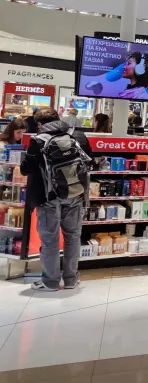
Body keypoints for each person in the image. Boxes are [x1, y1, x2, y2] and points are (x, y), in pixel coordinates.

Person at [19, 108, 93, 291]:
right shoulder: (78, 136)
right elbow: (91, 162)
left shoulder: (38, 140)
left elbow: (26, 169)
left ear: (39, 124)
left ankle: (50, 281)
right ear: (59, 119)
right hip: (75, 194)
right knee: (73, 237)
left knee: (50, 240)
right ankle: (71, 279)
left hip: (48, 197)